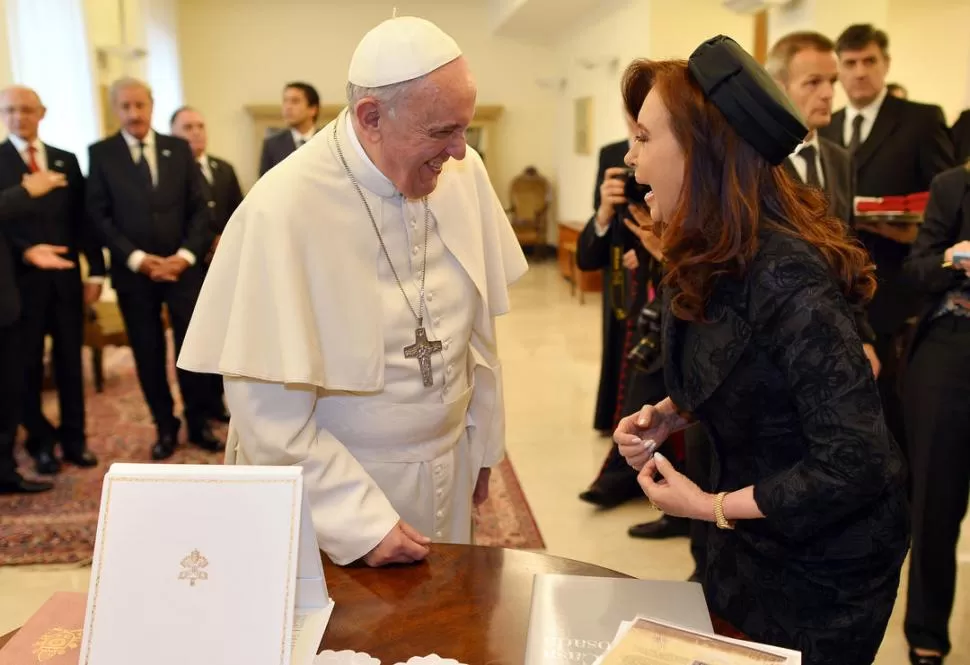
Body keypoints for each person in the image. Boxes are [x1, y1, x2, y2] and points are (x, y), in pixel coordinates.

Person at [177, 16, 528, 568]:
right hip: (343, 491)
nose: (461, 152)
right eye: (441, 133)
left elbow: (479, 333)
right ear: (371, 118)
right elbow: (267, 417)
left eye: (465, 129)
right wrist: (359, 522)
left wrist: (483, 443)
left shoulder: (465, 174)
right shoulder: (284, 207)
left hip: (448, 463)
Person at [614, 36, 909, 665]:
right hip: (746, 540)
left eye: (643, 138)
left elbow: (855, 463)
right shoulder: (711, 252)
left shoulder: (787, 276)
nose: (631, 159)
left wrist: (706, 505)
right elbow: (746, 362)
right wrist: (675, 411)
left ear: (701, 151)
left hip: (824, 569)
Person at [819, 24, 956, 453]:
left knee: (897, 418)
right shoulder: (826, 124)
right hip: (838, 289)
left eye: (869, 62)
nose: (860, 73)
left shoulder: (919, 119)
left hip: (897, 290)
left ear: (885, 64)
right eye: (851, 63)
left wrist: (908, 227)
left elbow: (947, 199)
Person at [87, 78, 221, 460]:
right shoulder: (101, 154)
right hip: (135, 276)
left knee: (191, 350)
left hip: (183, 271)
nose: (133, 113)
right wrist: (137, 260)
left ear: (151, 105)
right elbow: (98, 216)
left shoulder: (178, 150)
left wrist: (185, 256)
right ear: (116, 109)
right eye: (125, 106)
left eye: (139, 105)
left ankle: (198, 422)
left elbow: (200, 209)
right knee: (147, 353)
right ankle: (165, 426)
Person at [0, 86, 104, 475]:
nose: (19, 117)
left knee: (69, 363)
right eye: (10, 110)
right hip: (18, 283)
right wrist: (26, 249)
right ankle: (40, 441)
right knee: (26, 368)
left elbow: (83, 221)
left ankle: (75, 440)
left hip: (65, 282)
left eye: (26, 110)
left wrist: (95, 270)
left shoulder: (65, 159)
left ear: (41, 113)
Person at [766, 32, 881, 376]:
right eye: (813, 82)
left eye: (832, 81)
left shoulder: (840, 160)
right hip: (775, 345)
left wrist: (861, 335)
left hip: (836, 334)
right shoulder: (757, 161)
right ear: (777, 86)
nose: (830, 93)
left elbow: (846, 252)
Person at [901, 162, 970, 665]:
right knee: (935, 501)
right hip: (953, 348)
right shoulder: (953, 185)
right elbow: (918, 268)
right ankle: (927, 636)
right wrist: (955, 259)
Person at [170, 105, 244, 423]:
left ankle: (218, 402)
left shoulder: (223, 168)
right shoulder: (172, 173)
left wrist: (225, 241)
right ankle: (195, 411)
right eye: (187, 127)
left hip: (223, 267)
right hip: (190, 270)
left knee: (224, 338)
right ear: (172, 134)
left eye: (200, 125)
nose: (196, 131)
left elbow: (241, 212)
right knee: (193, 341)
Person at [0, 172, 73, 494]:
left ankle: (5, 472)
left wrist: (23, 253)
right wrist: (25, 192)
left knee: (9, 392)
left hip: (6, 301)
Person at [258, 82, 320, 176]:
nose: (288, 107)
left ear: (313, 109)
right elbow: (264, 184)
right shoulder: (272, 145)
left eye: (295, 101)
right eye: (285, 101)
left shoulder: (328, 141)